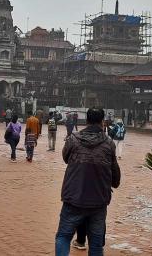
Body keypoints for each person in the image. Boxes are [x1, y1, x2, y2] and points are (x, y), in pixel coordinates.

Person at [55, 107, 121, 255]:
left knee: (63, 236)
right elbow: (115, 175)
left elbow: (65, 158)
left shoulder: (73, 139)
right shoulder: (109, 143)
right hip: (98, 200)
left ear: (87, 120)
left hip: (73, 197)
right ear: (102, 121)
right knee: (96, 244)